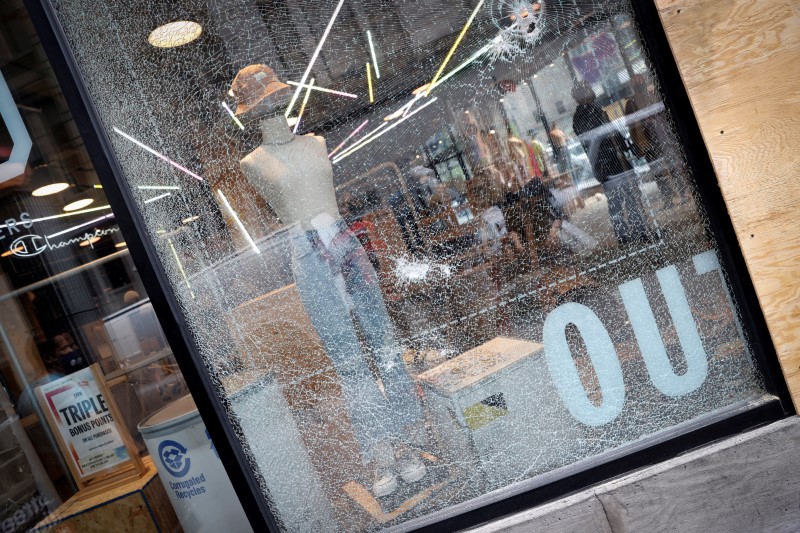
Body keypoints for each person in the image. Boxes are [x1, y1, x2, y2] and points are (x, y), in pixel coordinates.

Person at [572, 81, 650, 245]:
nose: (592, 92)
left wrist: (624, 145)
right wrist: (623, 146)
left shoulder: (581, 115)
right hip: (612, 162)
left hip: (605, 163)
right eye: (588, 89)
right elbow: (607, 134)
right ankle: (638, 232)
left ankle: (625, 235)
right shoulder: (591, 112)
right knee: (629, 196)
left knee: (617, 200)